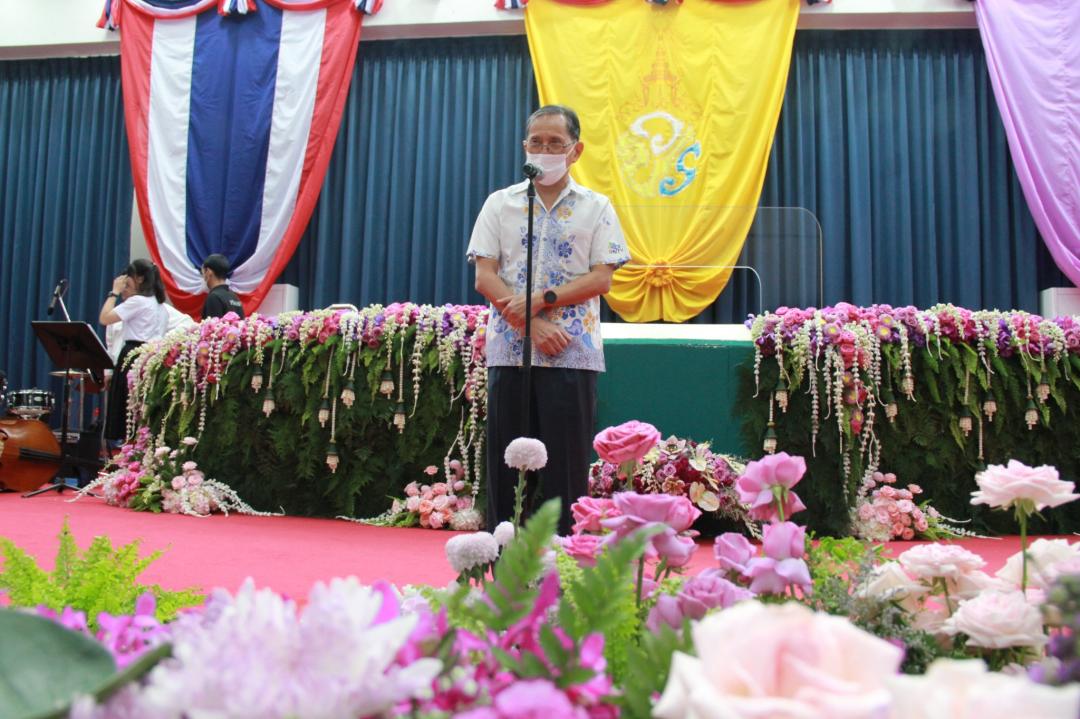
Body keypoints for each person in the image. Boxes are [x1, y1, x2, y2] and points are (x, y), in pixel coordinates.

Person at [467, 104, 630, 535]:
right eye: (536, 142)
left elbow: (602, 277)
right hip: (510, 352)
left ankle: (563, 563)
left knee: (566, 473)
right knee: (506, 472)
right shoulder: (501, 203)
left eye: (555, 143)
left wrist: (542, 299)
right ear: (524, 147)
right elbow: (485, 276)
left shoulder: (597, 207)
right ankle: (505, 564)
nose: (544, 150)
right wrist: (530, 324)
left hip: (571, 353)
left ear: (576, 150)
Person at [99, 258, 169, 442]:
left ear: (139, 278)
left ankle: (129, 447)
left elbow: (104, 318)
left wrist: (114, 292)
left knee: (128, 410)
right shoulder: (160, 306)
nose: (125, 282)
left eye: (128, 277)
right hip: (152, 357)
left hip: (134, 355)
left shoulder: (138, 301)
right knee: (140, 411)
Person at [201, 254, 245, 320]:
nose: (203, 277)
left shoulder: (214, 297)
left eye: (202, 272)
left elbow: (212, 326)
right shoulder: (234, 297)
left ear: (208, 271)